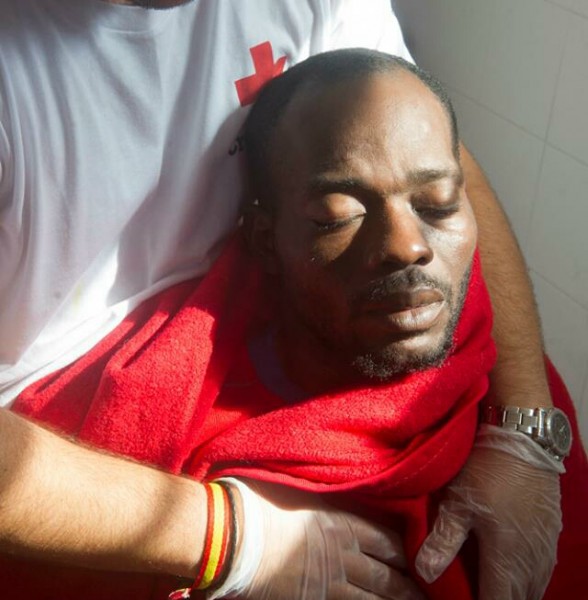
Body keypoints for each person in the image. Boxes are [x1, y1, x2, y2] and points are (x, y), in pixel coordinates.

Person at [0, 0, 570, 598]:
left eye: (434, 210)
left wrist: (525, 432)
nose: (409, 243)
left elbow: (432, 161)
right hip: (79, 455)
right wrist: (232, 538)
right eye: (336, 213)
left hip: (304, 326)